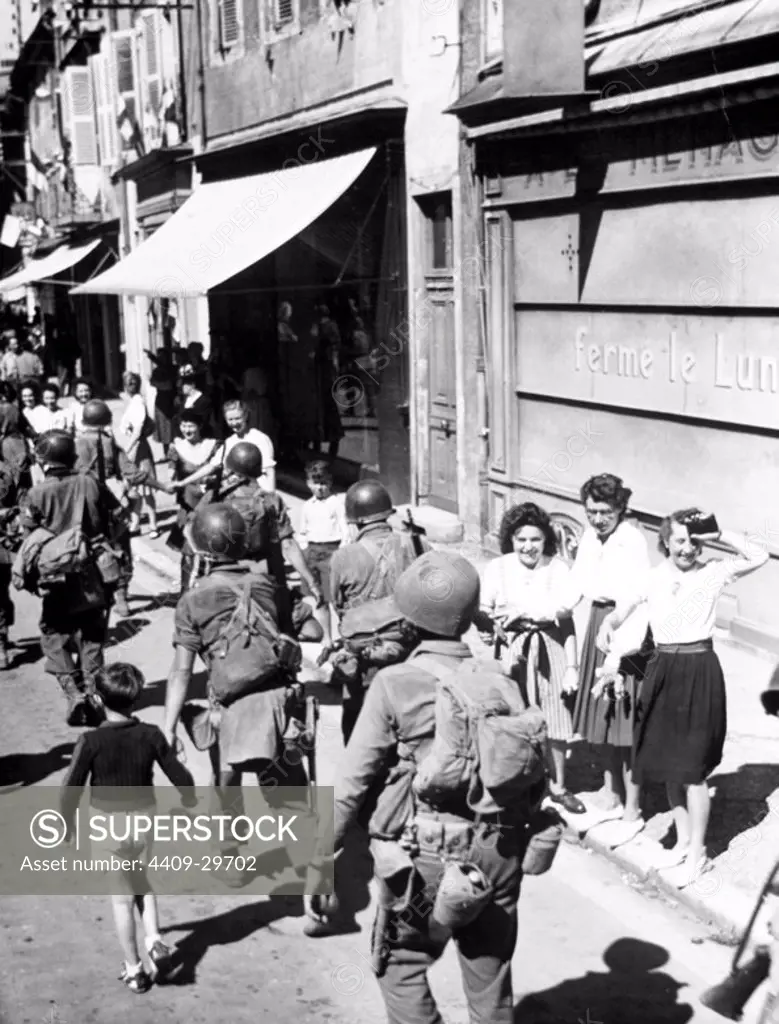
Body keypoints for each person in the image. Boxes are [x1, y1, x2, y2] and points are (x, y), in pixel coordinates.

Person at [307, 550, 533, 1020]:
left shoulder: (394, 682)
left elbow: (352, 781)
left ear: (408, 621)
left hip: (426, 851)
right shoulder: (500, 677)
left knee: (403, 964)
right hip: (499, 847)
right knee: (489, 978)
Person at [597, 508, 768, 888]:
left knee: (692, 770)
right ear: (666, 542)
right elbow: (623, 608)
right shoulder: (653, 578)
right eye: (679, 540)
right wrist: (610, 622)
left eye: (693, 541)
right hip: (661, 671)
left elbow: (758, 555)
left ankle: (699, 855)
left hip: (698, 671)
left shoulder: (713, 572)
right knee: (668, 763)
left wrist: (719, 531)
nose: (687, 548)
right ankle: (683, 841)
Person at [163, 504, 307, 857]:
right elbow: (292, 637)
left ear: (200, 547)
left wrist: (167, 727)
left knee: (226, 781)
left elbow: (182, 671)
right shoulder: (271, 586)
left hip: (226, 704)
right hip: (278, 702)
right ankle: (307, 858)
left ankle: (229, 853)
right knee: (287, 786)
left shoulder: (193, 599)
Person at [61, 662, 195, 994]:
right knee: (143, 882)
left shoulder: (90, 741)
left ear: (97, 700)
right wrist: (189, 799)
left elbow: (71, 787)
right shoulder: (150, 734)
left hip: (109, 824)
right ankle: (154, 940)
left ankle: (134, 969)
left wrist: (66, 823)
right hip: (144, 818)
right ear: (136, 699)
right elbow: (180, 775)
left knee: (121, 899)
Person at [478, 502, 584, 815]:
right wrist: (492, 629)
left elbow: (567, 623)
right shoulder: (498, 568)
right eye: (521, 539)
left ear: (545, 541)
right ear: (511, 540)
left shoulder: (558, 569)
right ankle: (519, 785)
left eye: (535, 540)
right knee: (514, 719)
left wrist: (572, 668)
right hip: (513, 649)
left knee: (556, 719)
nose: (528, 546)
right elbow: (485, 611)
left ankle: (559, 787)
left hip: (551, 649)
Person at [568, 473, 653, 837]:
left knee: (624, 722)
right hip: (598, 624)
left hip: (628, 631)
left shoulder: (632, 541)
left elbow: (640, 598)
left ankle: (632, 809)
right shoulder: (590, 536)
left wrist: (621, 652)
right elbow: (576, 583)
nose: (597, 518)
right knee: (602, 717)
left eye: (604, 511)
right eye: (591, 511)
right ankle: (610, 793)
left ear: (620, 508)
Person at [17, 431, 121, 726]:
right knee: (92, 634)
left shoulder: (36, 494)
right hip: (94, 571)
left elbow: (29, 539)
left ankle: (73, 693)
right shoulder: (90, 482)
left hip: (56, 577)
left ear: (42, 459)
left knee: (54, 635)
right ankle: (92, 693)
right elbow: (120, 515)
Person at [178, 442, 322, 631]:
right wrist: (311, 581)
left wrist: (200, 552)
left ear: (231, 469)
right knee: (303, 630)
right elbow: (288, 545)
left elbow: (189, 529)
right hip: (262, 579)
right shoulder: (271, 500)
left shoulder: (217, 497)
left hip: (224, 574)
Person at [329, 479, 430, 743]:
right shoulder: (418, 545)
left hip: (365, 659)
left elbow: (338, 605)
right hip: (411, 651)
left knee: (358, 727)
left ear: (355, 522)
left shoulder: (342, 557)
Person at [74, 399, 162, 617]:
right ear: (106, 420)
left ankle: (99, 592)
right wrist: (162, 486)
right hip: (114, 503)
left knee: (92, 548)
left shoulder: (76, 445)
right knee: (121, 546)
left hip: (87, 506)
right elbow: (132, 472)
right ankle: (121, 595)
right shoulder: (109, 442)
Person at [172, 399, 276, 495]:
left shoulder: (260, 438)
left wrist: (270, 494)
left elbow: (269, 470)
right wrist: (183, 482)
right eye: (230, 419)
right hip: (237, 489)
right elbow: (212, 465)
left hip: (259, 490)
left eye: (237, 418)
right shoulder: (230, 441)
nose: (234, 423)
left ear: (245, 416)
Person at [297, 460, 349, 651]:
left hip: (331, 551)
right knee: (319, 598)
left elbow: (345, 531)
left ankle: (347, 634)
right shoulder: (307, 505)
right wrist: (304, 550)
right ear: (308, 483)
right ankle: (327, 637)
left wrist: (341, 552)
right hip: (312, 552)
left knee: (337, 597)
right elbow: (302, 531)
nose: (319, 488)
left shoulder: (336, 503)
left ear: (331, 482)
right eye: (315, 483)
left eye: (324, 483)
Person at [167, 411, 219, 585]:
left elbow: (219, 470)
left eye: (190, 425)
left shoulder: (213, 445)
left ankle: (206, 583)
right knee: (187, 548)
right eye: (183, 425)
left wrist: (211, 480)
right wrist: (171, 481)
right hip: (188, 501)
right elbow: (171, 470)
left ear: (200, 426)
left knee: (209, 546)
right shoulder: (176, 446)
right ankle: (185, 587)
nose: (186, 429)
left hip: (209, 501)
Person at [119, 372, 159, 538]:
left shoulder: (138, 402)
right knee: (135, 490)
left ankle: (153, 524)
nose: (131, 386)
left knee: (146, 489)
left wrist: (126, 450)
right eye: (128, 383)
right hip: (135, 447)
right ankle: (135, 524)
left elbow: (138, 429)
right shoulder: (131, 402)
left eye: (134, 383)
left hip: (139, 449)